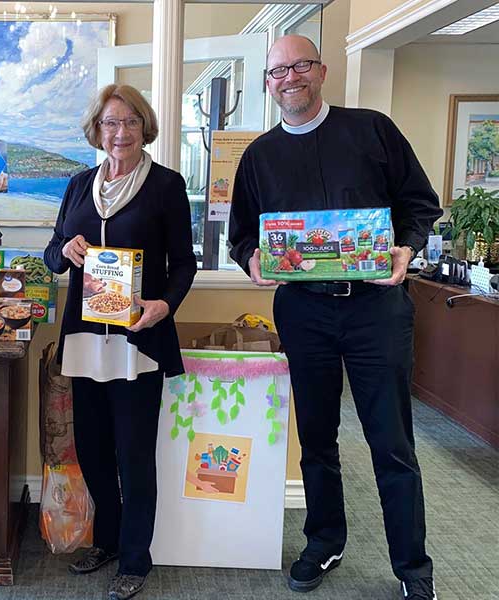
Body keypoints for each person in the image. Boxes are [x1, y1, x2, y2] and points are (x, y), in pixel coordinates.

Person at [228, 36, 442, 600]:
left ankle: (413, 568)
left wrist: (406, 248)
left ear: (321, 71)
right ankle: (324, 540)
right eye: (278, 70)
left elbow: (420, 203)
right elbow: (241, 234)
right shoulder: (259, 156)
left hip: (376, 309)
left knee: (391, 442)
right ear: (268, 83)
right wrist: (252, 259)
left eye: (300, 65)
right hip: (304, 311)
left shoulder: (372, 129)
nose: (290, 77)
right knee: (317, 437)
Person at [44, 84, 197, 600]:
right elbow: (52, 254)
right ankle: (107, 540)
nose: (120, 132)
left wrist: (165, 305)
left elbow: (184, 263)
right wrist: (65, 248)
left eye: (130, 122)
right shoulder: (78, 185)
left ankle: (135, 558)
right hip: (85, 340)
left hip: (137, 343)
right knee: (92, 451)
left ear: (144, 127)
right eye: (110, 122)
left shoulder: (167, 185)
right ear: (97, 130)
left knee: (133, 455)